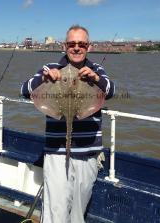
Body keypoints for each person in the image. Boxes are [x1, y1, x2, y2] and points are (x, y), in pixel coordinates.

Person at [21, 25, 115, 223]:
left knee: (78, 213)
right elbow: (24, 89)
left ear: (88, 47)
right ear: (65, 46)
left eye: (82, 44)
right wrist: (44, 78)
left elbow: (111, 90)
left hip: (88, 152)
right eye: (72, 44)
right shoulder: (50, 67)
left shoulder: (96, 69)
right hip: (56, 153)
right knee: (56, 210)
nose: (77, 48)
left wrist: (96, 79)